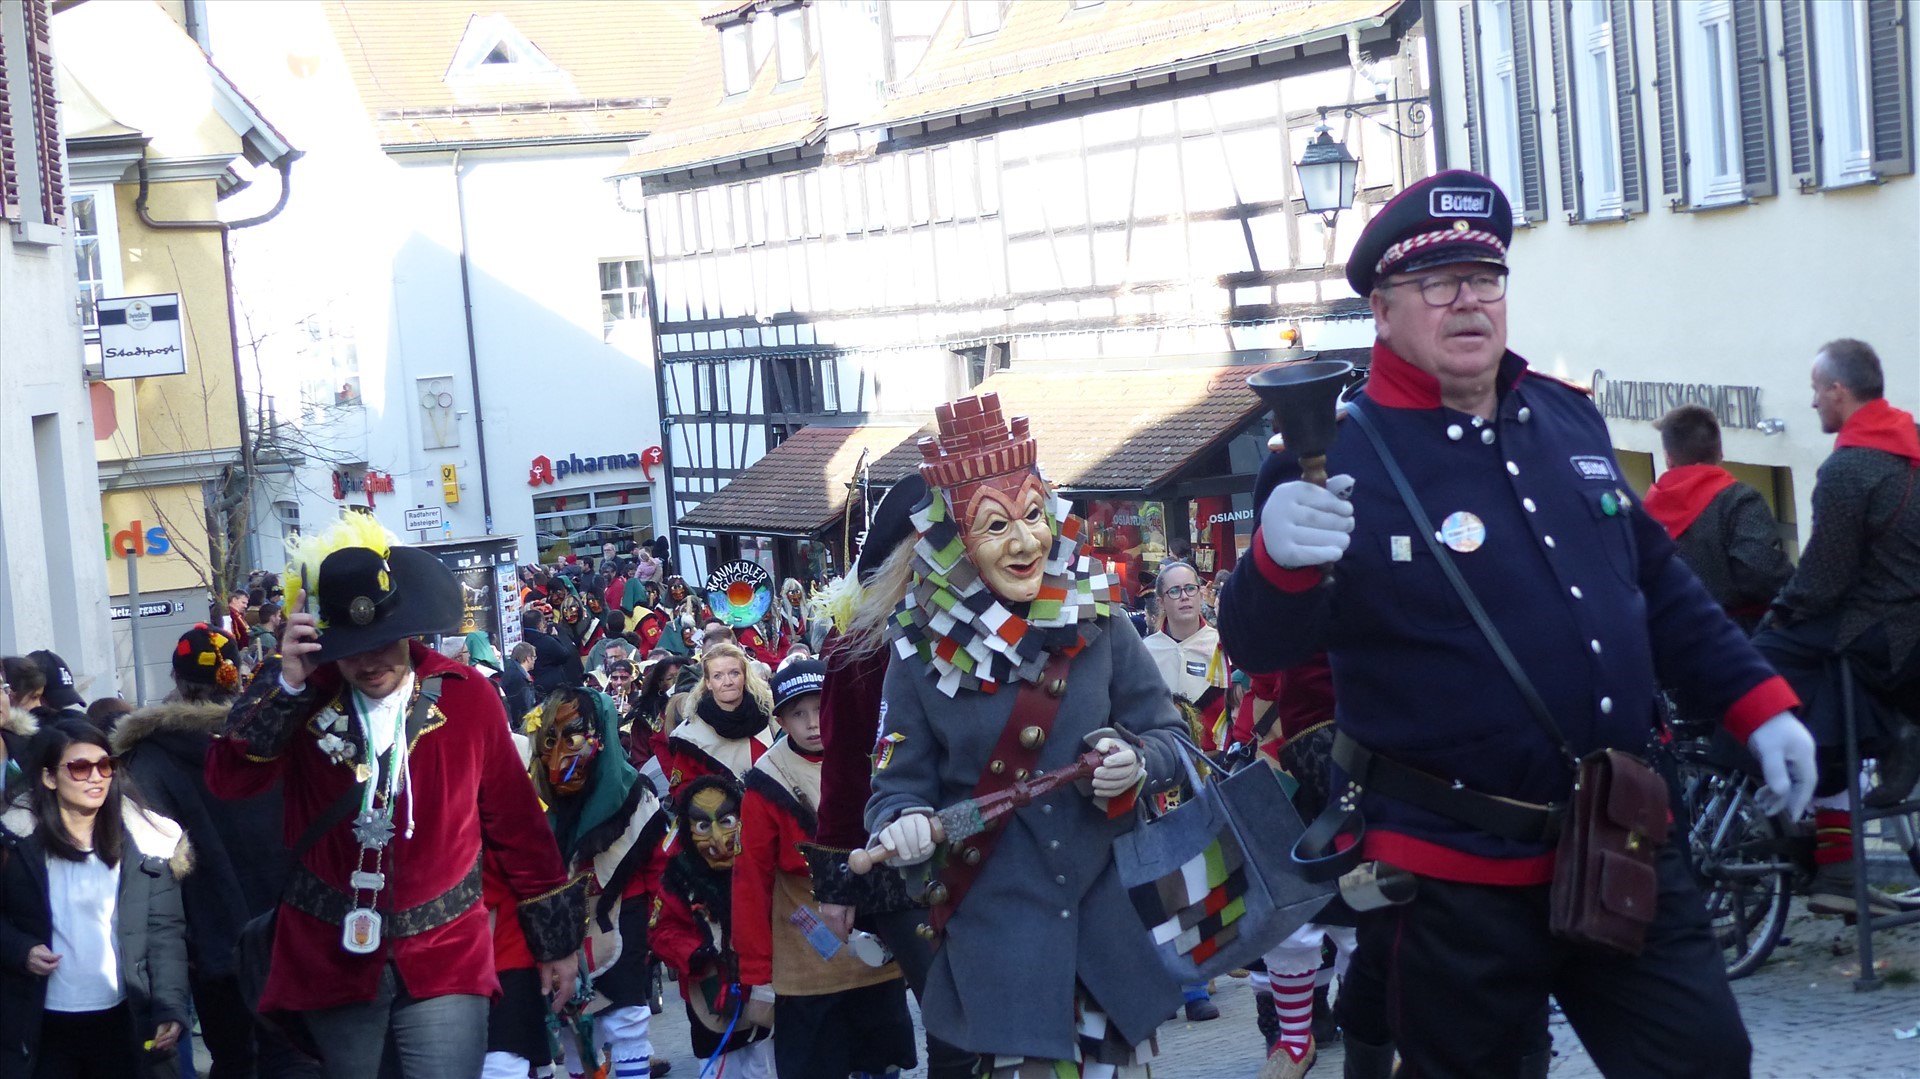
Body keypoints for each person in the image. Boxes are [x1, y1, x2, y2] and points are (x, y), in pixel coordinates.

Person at [1217, 170, 1814, 1078]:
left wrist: (1758, 703)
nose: (1468, 300)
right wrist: (1274, 561)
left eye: (1485, 277)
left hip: (1618, 837)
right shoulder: (1330, 452)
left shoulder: (1566, 417)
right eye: (1436, 282)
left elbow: (1658, 584)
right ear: (1382, 310)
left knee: (1705, 1057)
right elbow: (1262, 645)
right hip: (1447, 873)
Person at [865, 393, 1189, 1074]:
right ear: (953, 541)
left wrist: (1135, 760)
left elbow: (1169, 738)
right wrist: (904, 822)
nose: (1024, 543)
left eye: (1034, 515)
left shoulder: (1101, 619)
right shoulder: (916, 655)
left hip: (1110, 933)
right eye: (995, 525)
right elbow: (893, 792)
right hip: (1003, 948)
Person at [203, 515, 585, 1079]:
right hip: (332, 958)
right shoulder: (302, 698)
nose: (369, 661)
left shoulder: (468, 697)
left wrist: (556, 942)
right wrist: (284, 682)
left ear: (408, 628)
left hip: (446, 951)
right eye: (351, 647)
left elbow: (518, 826)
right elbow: (229, 780)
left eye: (383, 643)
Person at [1753, 339, 1920, 911]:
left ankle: (1801, 813)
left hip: (1884, 634)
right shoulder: (1910, 444)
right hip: (1905, 628)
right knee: (1828, 691)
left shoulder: (1849, 467)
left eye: (1815, 390)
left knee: (1761, 659)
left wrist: (1779, 612)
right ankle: (1837, 868)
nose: (1812, 402)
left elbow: (1824, 577)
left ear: (1838, 391)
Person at [114, 625, 304, 1079]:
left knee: (235, 1059)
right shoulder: (274, 737)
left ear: (177, 681)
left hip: (210, 943)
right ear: (237, 675)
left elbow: (150, 860)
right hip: (292, 929)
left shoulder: (147, 758)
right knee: (294, 1056)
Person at [734, 660, 915, 1079]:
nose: (813, 723)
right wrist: (758, 974)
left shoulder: (870, 759)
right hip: (806, 961)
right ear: (780, 721)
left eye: (820, 709)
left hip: (875, 950)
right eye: (798, 714)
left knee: (882, 1066)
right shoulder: (768, 781)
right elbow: (751, 881)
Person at [0, 718, 191, 1078]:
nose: (96, 777)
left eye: (106, 765)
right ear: (49, 778)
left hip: (123, 1020)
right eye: (80, 768)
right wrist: (20, 950)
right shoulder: (14, 841)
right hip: (40, 1022)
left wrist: (170, 1007)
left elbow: (165, 933)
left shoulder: (150, 843)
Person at [526, 688, 669, 1079]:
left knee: (626, 1018)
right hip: (558, 925)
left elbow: (658, 869)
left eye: (573, 737)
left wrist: (659, 923)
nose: (559, 754)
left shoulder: (637, 796)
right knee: (575, 1026)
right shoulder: (533, 799)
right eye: (550, 740)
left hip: (623, 916)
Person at [1138, 559, 1228, 1024]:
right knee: (1169, 877)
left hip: (1212, 774)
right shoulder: (1143, 652)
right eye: (1174, 591)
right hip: (1160, 780)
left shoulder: (1223, 648)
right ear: (1161, 601)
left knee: (1211, 871)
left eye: (1191, 588)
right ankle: (1184, 981)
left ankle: (1208, 963)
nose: (1185, 597)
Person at [650, 774, 774, 1077]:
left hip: (765, 989)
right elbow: (661, 930)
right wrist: (696, 952)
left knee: (767, 1066)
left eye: (727, 821)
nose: (718, 838)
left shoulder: (761, 863)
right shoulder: (679, 877)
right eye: (703, 826)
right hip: (710, 993)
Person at [1643, 405, 1792, 633]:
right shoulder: (1740, 500)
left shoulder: (1643, 512)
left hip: (1666, 636)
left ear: (1669, 459)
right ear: (1720, 453)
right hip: (1733, 635)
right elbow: (1762, 573)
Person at [664, 642, 773, 797]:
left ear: (745, 676)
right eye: (718, 676)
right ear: (708, 682)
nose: (727, 682)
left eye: (734, 673)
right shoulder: (691, 735)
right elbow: (683, 792)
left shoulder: (770, 714)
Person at [525, 607, 586, 699]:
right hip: (552, 686)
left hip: (537, 684)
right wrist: (555, 637)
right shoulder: (547, 640)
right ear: (539, 624)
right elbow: (564, 655)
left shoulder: (523, 640)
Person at [502, 642, 538, 725]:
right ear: (528, 658)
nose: (534, 661)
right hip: (521, 725)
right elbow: (524, 709)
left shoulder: (511, 672)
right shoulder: (519, 679)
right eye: (534, 657)